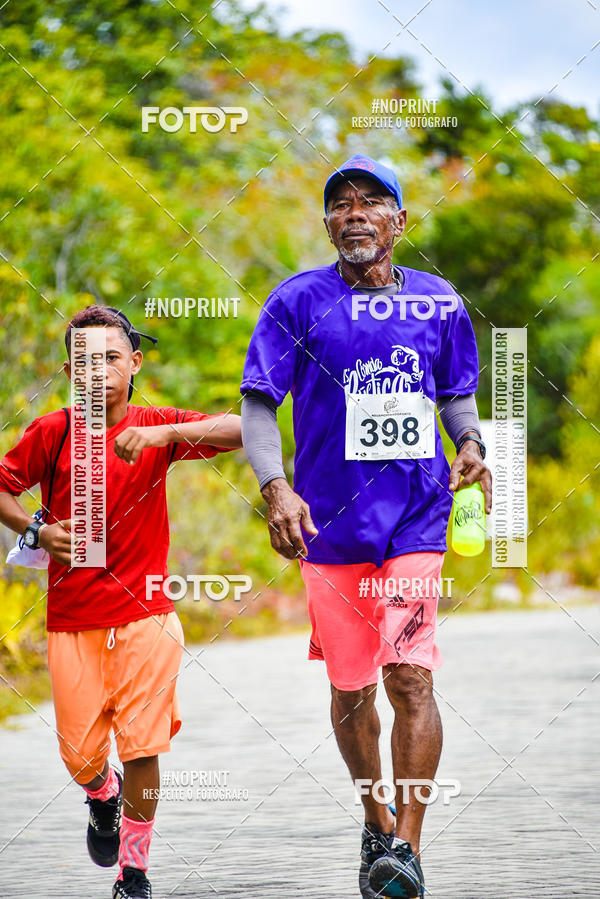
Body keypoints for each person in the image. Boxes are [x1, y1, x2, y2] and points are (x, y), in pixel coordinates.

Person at [240, 155, 492, 898]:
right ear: (327, 224)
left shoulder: (438, 302)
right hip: (329, 526)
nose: (353, 212)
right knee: (353, 690)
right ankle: (375, 819)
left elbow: (457, 395)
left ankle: (406, 851)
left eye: (371, 202)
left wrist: (471, 445)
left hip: (416, 518)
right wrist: (276, 486)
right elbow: (258, 402)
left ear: (400, 223)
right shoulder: (297, 301)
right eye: (340, 204)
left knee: (410, 674)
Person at [0, 305, 242, 899]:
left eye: (111, 357)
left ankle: (133, 873)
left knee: (143, 745)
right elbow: (2, 486)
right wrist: (35, 531)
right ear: (68, 370)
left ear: (133, 363)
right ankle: (99, 795)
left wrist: (166, 433)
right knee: (80, 755)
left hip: (148, 617)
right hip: (72, 617)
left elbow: (242, 430)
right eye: (86, 360)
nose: (99, 369)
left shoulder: (156, 425)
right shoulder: (52, 433)